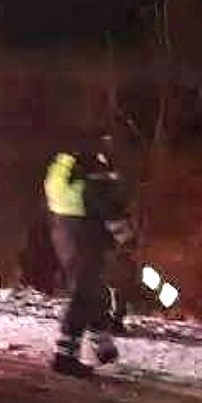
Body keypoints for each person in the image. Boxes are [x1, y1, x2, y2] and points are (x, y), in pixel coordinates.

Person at [44, 134, 134, 377]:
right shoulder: (98, 170)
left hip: (63, 228)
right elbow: (109, 208)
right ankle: (64, 356)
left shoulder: (67, 163)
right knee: (84, 292)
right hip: (86, 234)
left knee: (93, 289)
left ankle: (102, 348)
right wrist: (127, 239)